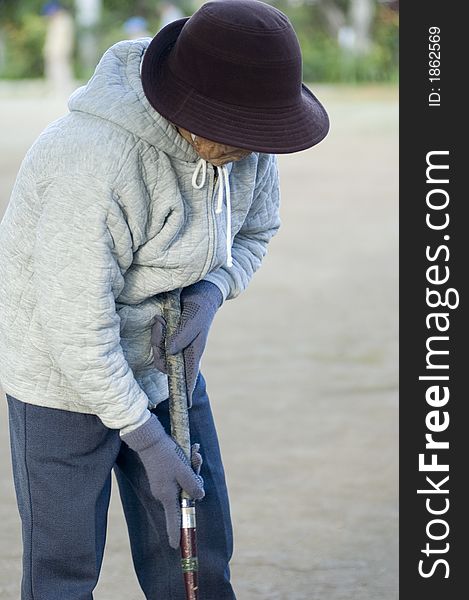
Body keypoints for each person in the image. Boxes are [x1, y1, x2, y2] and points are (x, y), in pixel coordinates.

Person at [0, 0, 329, 598]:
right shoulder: (95, 161)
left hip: (165, 364)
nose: (246, 148)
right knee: (63, 569)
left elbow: (257, 228)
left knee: (196, 551)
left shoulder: (247, 143)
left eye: (258, 132)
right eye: (233, 130)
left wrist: (211, 290)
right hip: (60, 380)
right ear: (186, 103)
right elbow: (75, 329)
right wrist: (146, 439)